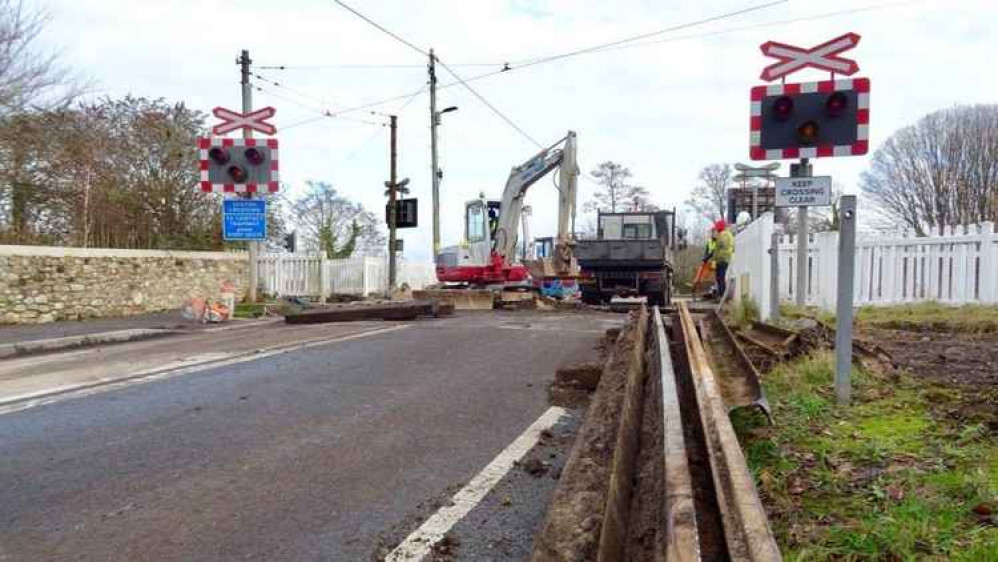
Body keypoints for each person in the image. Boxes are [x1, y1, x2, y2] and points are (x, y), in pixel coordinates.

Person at [713, 219, 735, 300]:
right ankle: (722, 295)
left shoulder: (723, 234)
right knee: (720, 277)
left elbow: (721, 246)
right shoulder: (728, 234)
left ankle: (722, 296)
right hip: (724, 258)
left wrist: (715, 257)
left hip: (722, 259)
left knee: (720, 277)